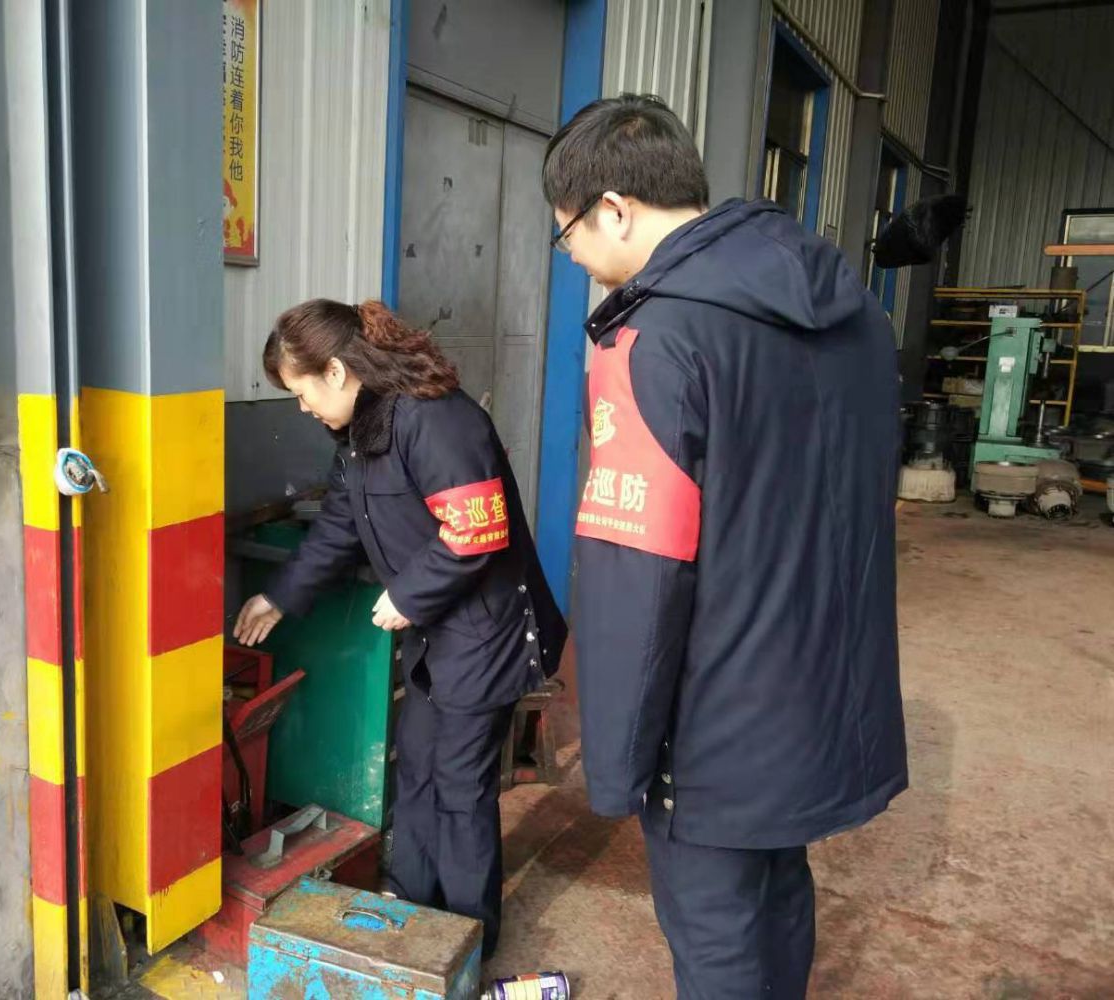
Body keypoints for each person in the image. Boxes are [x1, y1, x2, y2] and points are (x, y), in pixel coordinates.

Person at [541, 94, 907, 998]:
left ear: (614, 208)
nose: (572, 256)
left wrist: (617, 762)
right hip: (822, 694)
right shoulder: (855, 315)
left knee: (715, 938)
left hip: (712, 720)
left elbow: (636, 578)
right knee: (778, 897)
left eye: (567, 233)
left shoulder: (653, 339)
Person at [233, 298, 565, 959]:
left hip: (488, 631)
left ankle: (466, 941)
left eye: (300, 392)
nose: (301, 408)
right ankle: (412, 913)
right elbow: (339, 525)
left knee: (460, 786)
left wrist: (410, 595)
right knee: (416, 770)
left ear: (334, 372)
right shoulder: (360, 434)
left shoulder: (435, 419)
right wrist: (279, 596)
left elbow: (476, 532)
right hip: (440, 632)